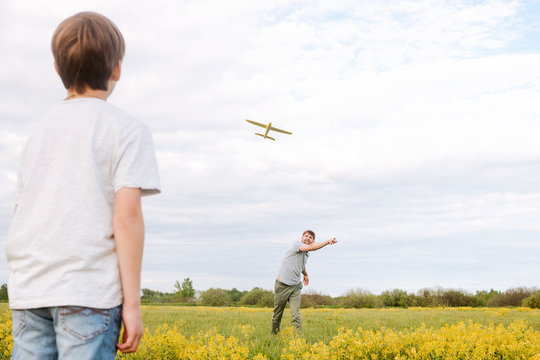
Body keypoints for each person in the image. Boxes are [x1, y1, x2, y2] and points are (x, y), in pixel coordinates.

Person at [5, 12, 161, 359]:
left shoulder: (38, 134)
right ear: (117, 69)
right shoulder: (128, 130)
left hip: (31, 291)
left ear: (58, 69)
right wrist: (132, 306)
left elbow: (21, 211)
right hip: (88, 292)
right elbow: (127, 218)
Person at [271, 230, 337, 334]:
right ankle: (273, 336)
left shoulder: (306, 253)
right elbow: (311, 247)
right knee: (277, 314)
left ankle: (297, 342)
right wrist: (327, 242)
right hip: (282, 285)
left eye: (310, 237)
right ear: (302, 238)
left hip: (295, 287)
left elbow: (302, 264)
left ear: (313, 240)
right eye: (306, 236)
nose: (307, 238)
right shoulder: (297, 245)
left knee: (296, 315)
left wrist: (305, 274)